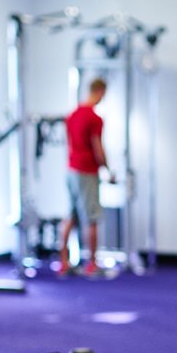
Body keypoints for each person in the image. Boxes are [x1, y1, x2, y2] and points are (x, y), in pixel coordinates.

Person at [59, 77, 114, 277]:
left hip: (71, 170)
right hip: (86, 171)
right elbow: (98, 148)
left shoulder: (72, 115)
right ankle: (92, 265)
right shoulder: (94, 118)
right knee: (92, 217)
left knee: (71, 216)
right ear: (100, 91)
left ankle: (64, 263)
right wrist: (107, 169)